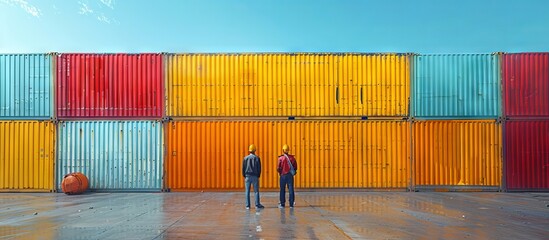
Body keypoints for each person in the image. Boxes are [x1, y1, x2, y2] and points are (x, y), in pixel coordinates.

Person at [242, 144, 264, 209]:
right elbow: (259, 168)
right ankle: (257, 205)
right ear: (255, 150)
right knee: (256, 191)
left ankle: (247, 206)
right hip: (255, 176)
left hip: (247, 176)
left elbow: (243, 168)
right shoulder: (257, 158)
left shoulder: (245, 158)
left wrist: (244, 175)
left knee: (247, 191)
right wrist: (258, 175)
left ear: (249, 150)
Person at [277, 144, 298, 208]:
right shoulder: (292, 158)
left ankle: (282, 204)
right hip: (290, 176)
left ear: (283, 150)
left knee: (282, 189)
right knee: (291, 189)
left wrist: (280, 173)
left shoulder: (280, 158)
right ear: (288, 150)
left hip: (283, 175)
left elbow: (278, 168)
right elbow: (295, 167)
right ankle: (291, 204)